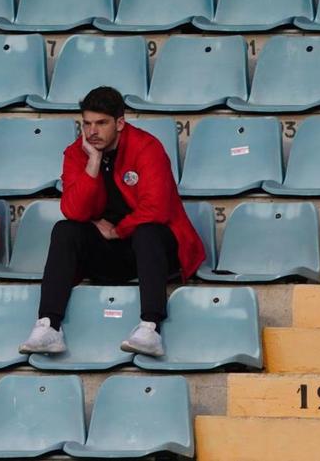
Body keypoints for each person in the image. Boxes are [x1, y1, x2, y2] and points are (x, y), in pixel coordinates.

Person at [19, 86, 205, 357]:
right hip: (112, 255)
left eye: (101, 123)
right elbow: (73, 210)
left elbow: (157, 209)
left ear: (120, 123)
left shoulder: (146, 147)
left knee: (147, 232)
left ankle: (150, 328)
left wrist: (119, 230)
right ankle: (48, 326)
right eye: (87, 124)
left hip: (156, 251)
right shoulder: (77, 153)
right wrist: (92, 163)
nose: (92, 131)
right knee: (65, 230)